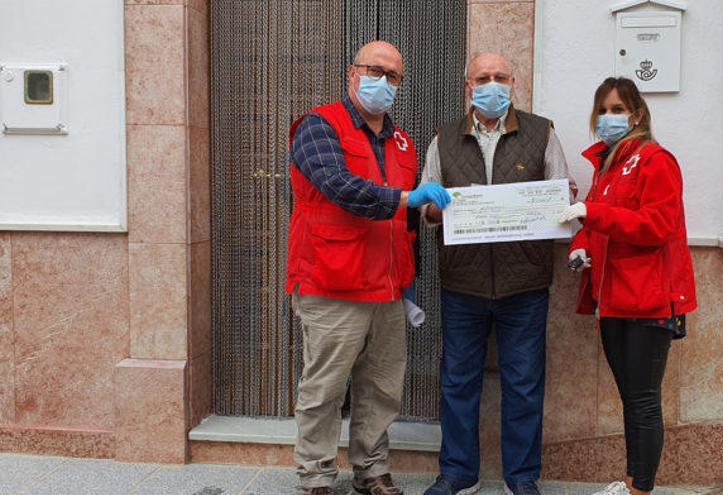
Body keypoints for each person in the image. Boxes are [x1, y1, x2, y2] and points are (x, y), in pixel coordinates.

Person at [286, 40, 452, 495]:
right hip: (331, 280)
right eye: (373, 70)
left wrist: (432, 214)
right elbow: (339, 186)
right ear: (351, 73)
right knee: (324, 388)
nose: (383, 81)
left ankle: (371, 469)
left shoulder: (403, 142)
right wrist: (406, 199)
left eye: (393, 75)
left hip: (388, 287)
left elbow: (411, 215)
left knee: (382, 388)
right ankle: (316, 474)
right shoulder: (319, 126)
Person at [420, 52, 575, 495]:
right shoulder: (444, 137)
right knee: (456, 383)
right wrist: (441, 205)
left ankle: (522, 478)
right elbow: (426, 210)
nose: (492, 85)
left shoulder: (541, 132)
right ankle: (457, 472)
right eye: (483, 78)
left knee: (524, 385)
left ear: (513, 82)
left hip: (524, 284)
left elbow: (561, 197)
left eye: (500, 77)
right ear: (468, 86)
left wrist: (559, 202)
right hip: (461, 285)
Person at [558, 77, 697, 495]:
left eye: (618, 109)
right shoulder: (607, 164)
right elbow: (595, 221)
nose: (608, 117)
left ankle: (640, 489)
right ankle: (634, 481)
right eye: (603, 109)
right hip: (613, 299)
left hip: (649, 302)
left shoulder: (656, 160)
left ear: (637, 114)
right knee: (632, 401)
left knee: (642, 403)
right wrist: (581, 247)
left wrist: (592, 214)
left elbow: (656, 226)